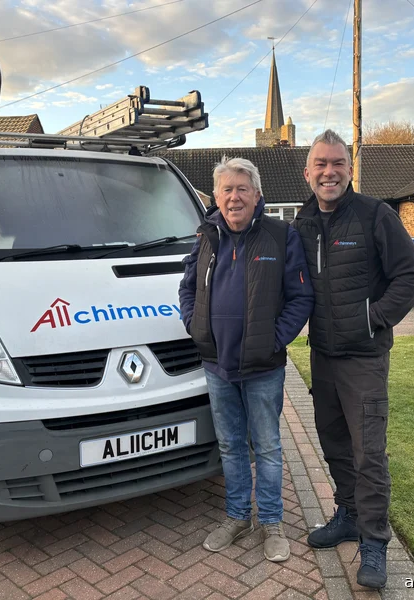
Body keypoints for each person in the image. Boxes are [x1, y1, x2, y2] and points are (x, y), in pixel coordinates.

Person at [292, 130, 414, 589]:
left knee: (369, 452)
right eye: (321, 164)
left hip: (364, 358)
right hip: (323, 355)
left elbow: (410, 275)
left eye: (337, 163)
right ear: (307, 172)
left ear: (350, 170)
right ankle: (348, 515)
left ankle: (374, 542)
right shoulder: (303, 223)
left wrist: (374, 319)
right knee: (333, 442)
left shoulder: (375, 215)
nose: (329, 172)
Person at [179, 156, 313, 563]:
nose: (234, 197)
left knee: (267, 446)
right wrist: (195, 326)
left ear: (257, 195)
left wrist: (273, 340)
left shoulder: (280, 236)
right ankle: (238, 517)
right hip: (217, 364)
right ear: (216, 196)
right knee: (231, 445)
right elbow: (187, 287)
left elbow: (301, 297)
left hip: (262, 367)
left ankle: (271, 522)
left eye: (242, 189)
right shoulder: (206, 236)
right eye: (227, 190)